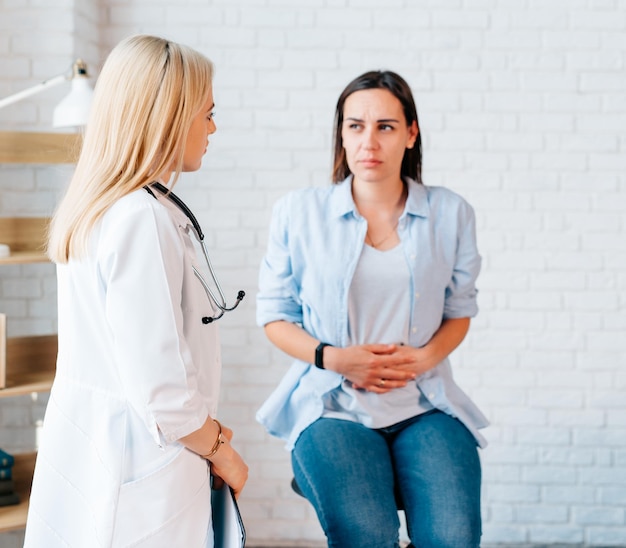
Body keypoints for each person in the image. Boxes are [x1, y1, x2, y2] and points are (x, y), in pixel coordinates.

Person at [24, 34, 248, 547]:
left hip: (98, 450)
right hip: (143, 464)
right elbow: (164, 393)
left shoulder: (99, 210)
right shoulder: (141, 218)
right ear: (170, 116)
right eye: (207, 113)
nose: (213, 127)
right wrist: (221, 450)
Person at [256, 70, 488, 548]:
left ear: (410, 133)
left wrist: (424, 359)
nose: (369, 141)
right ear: (341, 134)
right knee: (368, 536)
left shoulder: (452, 212)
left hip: (426, 404)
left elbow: (460, 309)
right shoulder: (298, 213)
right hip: (333, 405)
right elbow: (274, 315)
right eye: (355, 126)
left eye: (385, 126)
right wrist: (336, 358)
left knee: (452, 537)